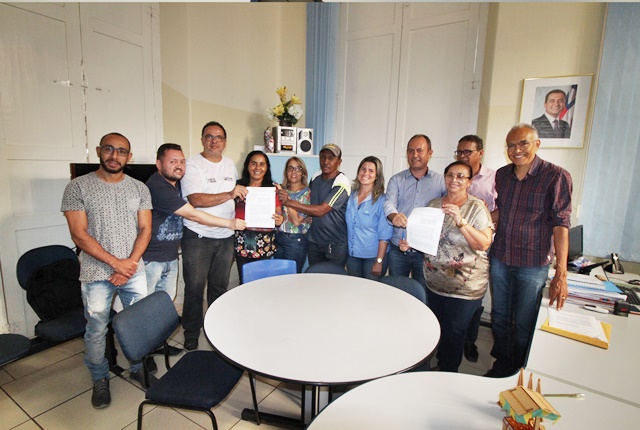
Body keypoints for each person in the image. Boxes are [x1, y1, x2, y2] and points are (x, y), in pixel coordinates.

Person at [61, 132, 152, 409]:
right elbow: (79, 234)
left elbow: (145, 229)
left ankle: (137, 367)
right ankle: (100, 378)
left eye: (121, 151)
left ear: (129, 156)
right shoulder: (77, 187)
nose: (115, 156)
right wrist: (117, 264)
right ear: (99, 151)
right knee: (97, 328)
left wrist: (128, 264)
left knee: (138, 324)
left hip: (133, 269)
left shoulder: (139, 188)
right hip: (95, 273)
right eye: (109, 149)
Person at [486, 123, 572, 378]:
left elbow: (561, 225)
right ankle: (502, 364)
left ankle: (519, 371)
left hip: (533, 262)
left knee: (524, 322)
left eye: (523, 143)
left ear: (537, 144)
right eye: (511, 145)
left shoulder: (556, 176)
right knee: (500, 316)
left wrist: (561, 273)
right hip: (501, 256)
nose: (517, 150)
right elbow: (502, 211)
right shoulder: (502, 175)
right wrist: (475, 220)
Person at [400, 161, 493, 372]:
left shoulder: (476, 207)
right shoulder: (434, 205)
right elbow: (428, 239)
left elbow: (484, 244)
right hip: (434, 282)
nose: (454, 179)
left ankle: (448, 373)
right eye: (450, 175)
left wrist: (460, 220)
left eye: (461, 176)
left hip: (465, 286)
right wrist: (410, 243)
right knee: (438, 328)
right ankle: (440, 365)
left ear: (469, 182)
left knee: (454, 332)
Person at [143, 143, 246, 298]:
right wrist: (229, 223)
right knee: (146, 305)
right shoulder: (158, 187)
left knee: (163, 302)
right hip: (152, 259)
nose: (179, 166)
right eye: (172, 161)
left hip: (169, 256)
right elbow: (193, 214)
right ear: (158, 164)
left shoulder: (174, 185)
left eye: (182, 161)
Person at [180, 121, 247, 351]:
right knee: (194, 287)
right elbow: (196, 200)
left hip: (226, 236)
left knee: (219, 286)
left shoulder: (229, 164)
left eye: (219, 137)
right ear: (202, 140)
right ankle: (191, 332)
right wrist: (229, 193)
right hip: (198, 236)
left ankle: (217, 327)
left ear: (225, 142)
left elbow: (238, 196)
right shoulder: (192, 164)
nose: (214, 141)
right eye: (209, 136)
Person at [454, 135, 497, 363]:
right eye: (459, 152)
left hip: (479, 245)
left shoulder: (493, 178)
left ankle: (469, 341)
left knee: (473, 297)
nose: (462, 156)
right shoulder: (454, 175)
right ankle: (449, 340)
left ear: (480, 153)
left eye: (467, 152)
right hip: (455, 247)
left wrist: (483, 220)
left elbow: (500, 209)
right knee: (453, 297)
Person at [384, 134, 446, 288]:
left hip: (426, 252)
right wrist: (394, 216)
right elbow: (389, 203)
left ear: (430, 153)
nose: (414, 155)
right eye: (410, 151)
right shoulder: (396, 180)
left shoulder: (441, 182)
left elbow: (449, 207)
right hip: (398, 248)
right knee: (396, 290)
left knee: (423, 292)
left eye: (419, 150)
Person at [277, 143, 350, 267]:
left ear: (339, 162)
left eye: (331, 158)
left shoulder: (342, 182)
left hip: (334, 243)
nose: (326, 161)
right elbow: (309, 202)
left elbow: (321, 210)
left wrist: (288, 202)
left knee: (333, 277)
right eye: (323, 157)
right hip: (314, 241)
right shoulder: (316, 176)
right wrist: (306, 216)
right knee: (314, 276)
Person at [234, 150, 283, 283]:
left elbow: (279, 213)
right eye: (254, 163)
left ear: (267, 168)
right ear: (247, 166)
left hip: (265, 242)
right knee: (244, 281)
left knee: (262, 283)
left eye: (262, 164)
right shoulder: (238, 187)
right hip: (242, 240)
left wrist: (279, 219)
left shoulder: (273, 188)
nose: (257, 167)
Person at [346, 156, 393, 280]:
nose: (366, 173)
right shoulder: (350, 196)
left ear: (377, 176)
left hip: (373, 258)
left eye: (371, 171)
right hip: (352, 256)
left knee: (371, 290)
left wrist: (379, 261)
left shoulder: (382, 200)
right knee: (353, 288)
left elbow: (385, 235)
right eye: (363, 169)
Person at [274, 156, 311, 273]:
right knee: (279, 276)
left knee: (292, 276)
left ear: (303, 173)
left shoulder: (307, 192)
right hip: (278, 237)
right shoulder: (280, 189)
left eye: (298, 168)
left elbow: (297, 221)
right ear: (286, 172)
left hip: (295, 240)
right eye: (290, 168)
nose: (294, 172)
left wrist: (287, 200)